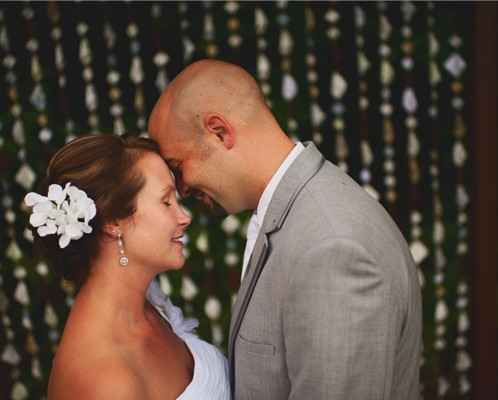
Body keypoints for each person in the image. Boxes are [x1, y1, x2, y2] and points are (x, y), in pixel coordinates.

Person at [148, 60, 422, 400]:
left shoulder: (332, 248)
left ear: (219, 131)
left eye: (178, 166)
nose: (182, 188)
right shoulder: (299, 212)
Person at [25, 133, 231, 400]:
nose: (184, 217)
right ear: (113, 221)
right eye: (166, 201)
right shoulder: (104, 381)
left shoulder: (149, 304)